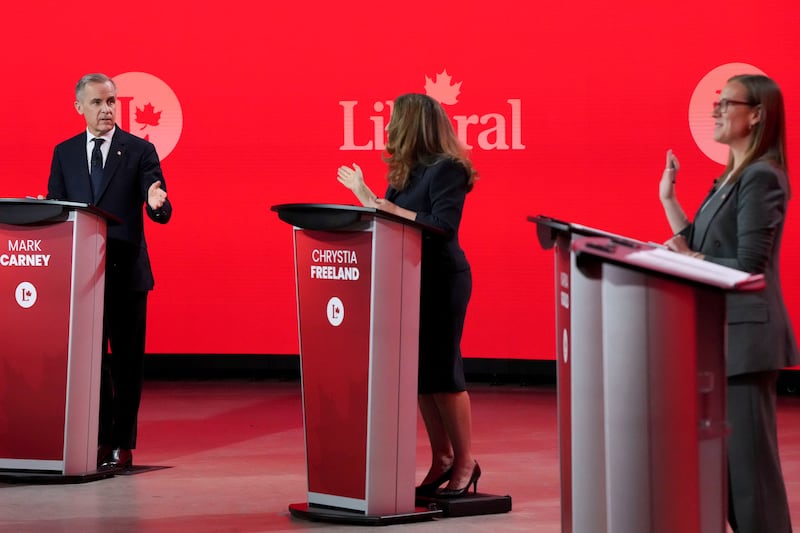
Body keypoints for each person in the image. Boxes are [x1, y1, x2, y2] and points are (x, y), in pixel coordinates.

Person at [658, 74, 797, 533]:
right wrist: (669, 199)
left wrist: (688, 254)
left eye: (726, 103)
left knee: (751, 479)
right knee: (731, 480)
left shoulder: (762, 176)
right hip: (721, 340)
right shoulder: (730, 177)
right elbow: (697, 243)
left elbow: (747, 266)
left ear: (756, 115)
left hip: (746, 339)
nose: (716, 110)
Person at [337, 93, 479, 498]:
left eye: (393, 120)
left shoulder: (447, 169)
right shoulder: (408, 171)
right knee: (421, 377)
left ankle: (466, 461)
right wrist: (365, 195)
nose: (387, 128)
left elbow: (442, 226)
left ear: (411, 124)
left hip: (442, 280)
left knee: (445, 373)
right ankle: (443, 458)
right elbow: (387, 216)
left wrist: (387, 207)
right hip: (409, 279)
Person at [47, 73, 173, 471]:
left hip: (127, 272)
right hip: (83, 276)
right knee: (92, 361)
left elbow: (162, 207)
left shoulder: (138, 151)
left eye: (112, 102)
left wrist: (155, 203)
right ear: (79, 107)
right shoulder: (64, 152)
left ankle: (122, 442)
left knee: (127, 361)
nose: (107, 109)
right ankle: (99, 439)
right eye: (98, 103)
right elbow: (57, 207)